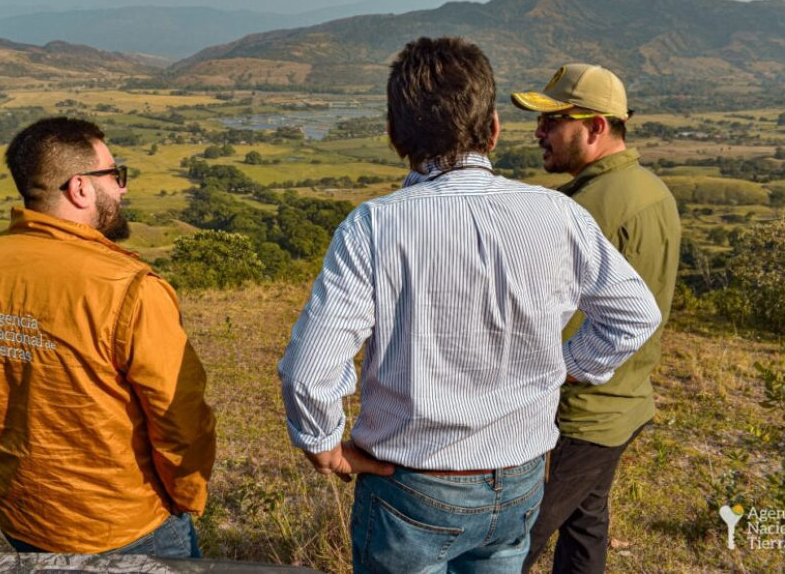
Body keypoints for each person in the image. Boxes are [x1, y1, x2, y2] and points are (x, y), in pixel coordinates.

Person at [279, 37, 663, 574]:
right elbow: (634, 314)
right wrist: (572, 366)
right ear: (494, 130)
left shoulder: (375, 225)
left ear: (394, 136)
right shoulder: (556, 213)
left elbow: (308, 370)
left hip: (411, 485)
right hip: (521, 476)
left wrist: (322, 443)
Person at [0, 117, 216, 556]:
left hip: (23, 512)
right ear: (80, 187)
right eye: (115, 176)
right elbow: (179, 417)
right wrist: (187, 496)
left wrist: (9, 443)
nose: (122, 189)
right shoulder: (129, 288)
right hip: (127, 523)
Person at [512, 64, 681, 574]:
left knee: (516, 542)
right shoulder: (650, 189)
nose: (539, 132)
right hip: (621, 401)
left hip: (583, 411)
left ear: (597, 126)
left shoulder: (585, 209)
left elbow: (552, 324)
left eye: (554, 120)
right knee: (586, 528)